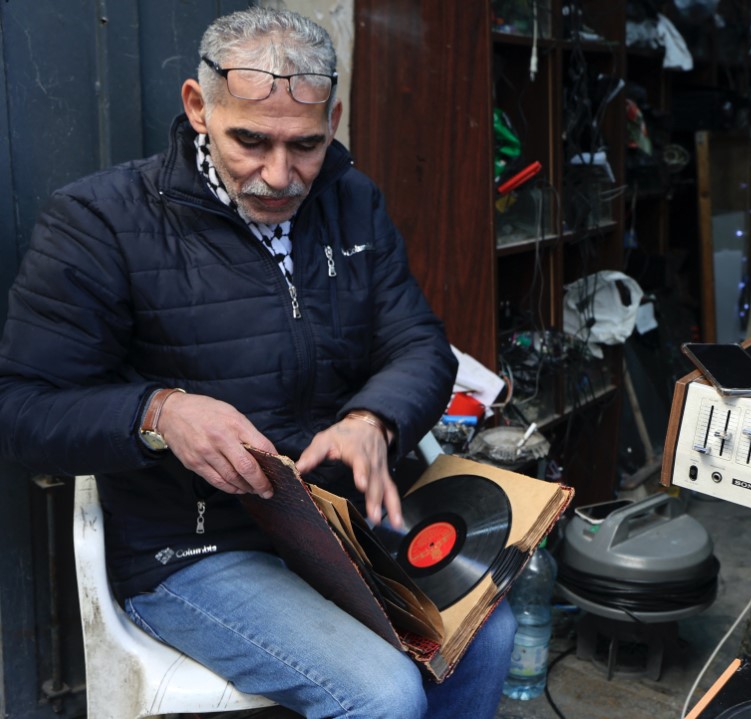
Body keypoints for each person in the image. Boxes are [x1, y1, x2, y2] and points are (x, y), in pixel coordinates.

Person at [0, 8, 513, 717]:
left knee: (484, 632)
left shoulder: (351, 201)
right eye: (251, 140)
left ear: (333, 118)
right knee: (382, 690)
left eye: (305, 144)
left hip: (338, 524)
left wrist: (375, 418)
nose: (280, 175)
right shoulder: (100, 221)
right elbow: (23, 410)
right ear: (197, 107)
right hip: (194, 547)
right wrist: (159, 411)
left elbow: (418, 343)